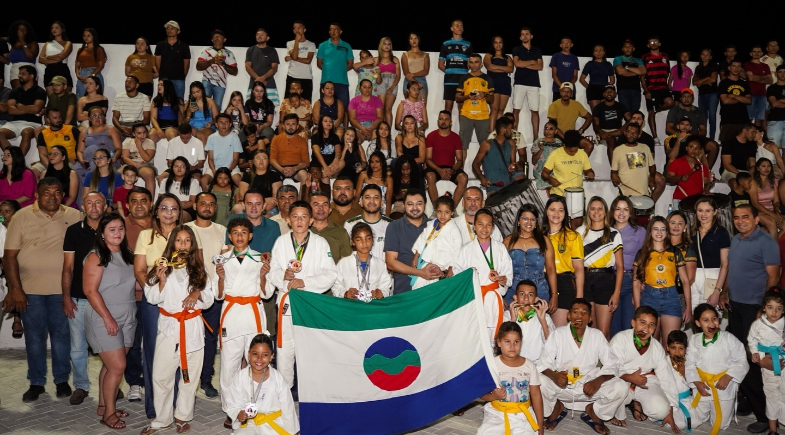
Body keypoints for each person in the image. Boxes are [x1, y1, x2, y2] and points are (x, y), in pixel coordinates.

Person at [1, 178, 80, 402]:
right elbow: (9, 257)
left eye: (57, 192)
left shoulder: (74, 216)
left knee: (62, 337)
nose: (52, 197)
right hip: (30, 291)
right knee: (34, 339)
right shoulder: (21, 216)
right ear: (37, 194)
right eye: (47, 192)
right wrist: (15, 289)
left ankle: (62, 380)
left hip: (63, 291)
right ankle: (36, 383)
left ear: (63, 194)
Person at [140, 225, 214, 435]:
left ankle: (182, 415)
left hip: (192, 329)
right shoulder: (161, 268)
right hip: (169, 329)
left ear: (192, 245)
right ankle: (162, 420)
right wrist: (161, 281)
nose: (183, 244)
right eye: (179, 240)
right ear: (172, 243)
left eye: (187, 240)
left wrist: (197, 293)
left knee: (189, 378)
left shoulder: (200, 270)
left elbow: (209, 300)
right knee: (161, 376)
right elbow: (151, 297)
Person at [721, 204, 780, 433]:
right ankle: (747, 398)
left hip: (754, 307)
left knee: (752, 358)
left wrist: (762, 311)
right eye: (736, 217)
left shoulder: (767, 242)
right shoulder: (736, 240)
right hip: (735, 306)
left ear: (756, 219)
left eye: (745, 217)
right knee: (737, 355)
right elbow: (733, 270)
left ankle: (765, 416)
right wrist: (725, 292)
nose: (740, 221)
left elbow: (774, 276)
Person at [267, 200, 338, 388]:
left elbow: (331, 274)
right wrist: (284, 276)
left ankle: (310, 389)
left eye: (304, 216)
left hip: (310, 302)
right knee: (285, 349)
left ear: (311, 221)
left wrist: (304, 282)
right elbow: (272, 271)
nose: (299, 221)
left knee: (311, 347)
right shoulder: (281, 242)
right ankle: (285, 390)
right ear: (289, 220)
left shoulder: (320, 243)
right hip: (288, 301)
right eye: (295, 216)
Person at [214, 217, 273, 428]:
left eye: (244, 232)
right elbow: (217, 295)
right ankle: (231, 410)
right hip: (230, 314)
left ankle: (254, 406)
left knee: (255, 363)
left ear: (251, 235)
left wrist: (265, 276)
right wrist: (220, 278)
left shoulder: (260, 259)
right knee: (229, 365)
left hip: (252, 313)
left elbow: (267, 294)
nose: (239, 236)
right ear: (230, 236)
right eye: (235, 232)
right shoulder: (221, 260)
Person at [537, 298, 628, 434]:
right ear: (568, 315)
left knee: (621, 387)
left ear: (590, 318)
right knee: (540, 381)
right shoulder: (558, 334)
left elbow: (612, 363)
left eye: (584, 313)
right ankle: (557, 407)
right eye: (575, 312)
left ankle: (594, 410)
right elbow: (543, 363)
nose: (579, 315)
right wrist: (554, 376)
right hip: (563, 386)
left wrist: (598, 381)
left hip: (589, 387)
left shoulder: (596, 335)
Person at [81, 213, 135, 429]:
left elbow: (133, 284)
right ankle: (109, 415)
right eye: (111, 229)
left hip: (128, 314)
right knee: (118, 366)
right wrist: (107, 318)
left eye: (120, 228)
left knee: (110, 365)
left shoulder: (128, 255)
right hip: (103, 316)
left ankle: (105, 405)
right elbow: (89, 290)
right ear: (102, 234)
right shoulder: (96, 256)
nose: (117, 233)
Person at [133, 194, 184, 419]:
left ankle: (176, 403)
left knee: (176, 350)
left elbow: (196, 265)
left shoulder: (185, 234)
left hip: (179, 301)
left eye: (174, 208)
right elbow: (139, 270)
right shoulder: (146, 236)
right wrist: (155, 293)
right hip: (153, 300)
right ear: (157, 210)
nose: (169, 212)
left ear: (179, 212)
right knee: (153, 350)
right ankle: (154, 406)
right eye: (164, 208)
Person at [60, 191, 106, 407]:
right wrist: (66, 297)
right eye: (90, 203)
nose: (94, 207)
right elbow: (68, 267)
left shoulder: (113, 229)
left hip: (107, 300)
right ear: (83, 207)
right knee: (78, 346)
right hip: (78, 299)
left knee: (109, 345)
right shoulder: (73, 232)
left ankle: (111, 385)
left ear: (105, 206)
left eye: (98, 203)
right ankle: (81, 386)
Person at [608, 306, 682, 431]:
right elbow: (610, 369)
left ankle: (638, 401)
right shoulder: (620, 340)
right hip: (621, 380)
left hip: (646, 381)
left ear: (655, 328)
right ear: (633, 323)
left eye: (651, 324)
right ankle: (621, 408)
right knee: (613, 392)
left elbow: (666, 379)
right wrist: (631, 378)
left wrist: (671, 408)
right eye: (642, 323)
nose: (646, 328)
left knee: (661, 411)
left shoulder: (657, 348)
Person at [686, 304, 750, 434]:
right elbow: (689, 364)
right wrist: (697, 382)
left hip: (723, 386)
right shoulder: (694, 340)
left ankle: (725, 408)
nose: (711, 323)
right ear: (698, 323)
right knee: (697, 418)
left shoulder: (728, 338)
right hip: (702, 386)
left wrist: (728, 376)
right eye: (706, 320)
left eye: (714, 319)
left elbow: (741, 359)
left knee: (720, 425)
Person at [453, 208, 513, 344]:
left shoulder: (500, 248)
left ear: (492, 227)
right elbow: (457, 274)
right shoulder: (466, 249)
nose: (484, 228)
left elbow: (508, 274)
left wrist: (503, 280)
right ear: (474, 226)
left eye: (488, 224)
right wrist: (468, 276)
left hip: (493, 296)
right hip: (474, 297)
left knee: (493, 336)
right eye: (480, 224)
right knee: (475, 335)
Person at [223, 334, 300, 434]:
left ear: (271, 356)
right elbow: (233, 403)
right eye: (255, 354)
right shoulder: (240, 377)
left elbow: (287, 408)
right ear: (248, 354)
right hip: (248, 423)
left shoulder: (278, 379)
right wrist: (238, 413)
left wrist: (293, 431)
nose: (259, 359)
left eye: (265, 355)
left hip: (272, 423)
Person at [477, 322, 544, 435]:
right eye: (507, 341)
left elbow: (536, 395)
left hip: (523, 414)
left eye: (516, 342)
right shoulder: (492, 364)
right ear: (499, 342)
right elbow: (480, 392)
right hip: (497, 413)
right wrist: (494, 396)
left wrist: (540, 426)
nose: (512, 346)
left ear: (521, 343)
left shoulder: (529, 365)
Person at [632, 217, 691, 347]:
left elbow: (685, 280)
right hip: (649, 297)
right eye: (655, 229)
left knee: (670, 345)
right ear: (650, 231)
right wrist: (637, 308)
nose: (659, 233)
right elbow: (636, 282)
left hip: (671, 298)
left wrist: (688, 306)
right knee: (649, 344)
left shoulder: (675, 252)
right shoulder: (642, 253)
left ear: (667, 232)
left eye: (663, 229)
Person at [576, 197, 623, 341]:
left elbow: (620, 267)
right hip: (585, 279)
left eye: (600, 208)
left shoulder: (614, 233)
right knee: (588, 330)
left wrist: (616, 293)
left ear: (605, 212)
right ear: (588, 212)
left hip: (606, 281)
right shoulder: (579, 232)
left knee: (603, 332)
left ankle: (604, 364)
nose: (596, 212)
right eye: (593, 208)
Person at [122, 187, 152, 404]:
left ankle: (154, 381)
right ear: (127, 205)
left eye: (143, 200)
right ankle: (134, 382)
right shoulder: (119, 227)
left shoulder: (161, 225)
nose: (139, 205)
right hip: (128, 296)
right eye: (134, 201)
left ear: (151, 203)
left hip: (157, 296)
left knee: (156, 342)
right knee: (131, 342)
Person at [384, 189, 440, 294]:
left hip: (432, 290)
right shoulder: (394, 226)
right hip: (404, 291)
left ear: (425, 205)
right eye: (410, 204)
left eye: (419, 204)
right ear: (404, 206)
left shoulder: (434, 226)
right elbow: (390, 263)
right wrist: (420, 272)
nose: (415, 208)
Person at [746, 288, 785, 435]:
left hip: (784, 363)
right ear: (764, 307)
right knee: (771, 396)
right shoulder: (758, 324)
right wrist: (755, 352)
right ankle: (773, 430)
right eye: (770, 307)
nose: (774, 312)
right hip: (768, 366)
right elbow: (752, 339)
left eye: (778, 308)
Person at [504, 204, 557, 308]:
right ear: (518, 221)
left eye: (532, 219)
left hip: (540, 291)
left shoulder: (544, 240)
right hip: (513, 291)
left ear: (536, 222)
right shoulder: (507, 241)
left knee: (538, 321)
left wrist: (555, 295)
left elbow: (551, 270)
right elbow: (501, 270)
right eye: (525, 218)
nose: (529, 222)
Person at [545, 195, 584, 327]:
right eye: (552, 209)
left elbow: (579, 268)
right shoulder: (538, 233)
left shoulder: (573, 236)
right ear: (546, 211)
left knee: (559, 331)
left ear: (565, 213)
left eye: (560, 210)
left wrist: (579, 297)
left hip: (564, 283)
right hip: (541, 282)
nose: (556, 213)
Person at [410, 195, 461, 290]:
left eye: (446, 212)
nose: (442, 215)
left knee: (433, 290)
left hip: (441, 266)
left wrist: (451, 268)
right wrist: (416, 256)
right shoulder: (431, 224)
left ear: (452, 213)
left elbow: (457, 250)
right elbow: (422, 239)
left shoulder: (454, 229)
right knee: (418, 287)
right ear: (435, 211)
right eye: (439, 211)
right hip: (426, 263)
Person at [333, 222, 392, 300]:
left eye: (368, 238)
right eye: (359, 239)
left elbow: (386, 285)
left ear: (372, 240)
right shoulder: (343, 263)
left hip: (373, 307)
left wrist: (381, 292)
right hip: (350, 307)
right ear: (353, 242)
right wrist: (345, 293)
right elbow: (336, 285)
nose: (364, 243)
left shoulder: (380, 264)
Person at [664, 89, 720, 168]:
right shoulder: (674, 110)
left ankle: (706, 172)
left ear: (693, 98)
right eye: (684, 97)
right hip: (678, 137)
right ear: (680, 98)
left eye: (689, 97)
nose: (686, 99)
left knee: (713, 146)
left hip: (694, 137)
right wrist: (681, 135)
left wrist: (693, 137)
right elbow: (668, 129)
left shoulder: (698, 111)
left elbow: (703, 130)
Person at [611, 123, 665, 203]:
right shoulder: (617, 150)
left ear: (639, 135)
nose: (631, 135)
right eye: (629, 132)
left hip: (643, 194)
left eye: (634, 133)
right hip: (625, 195)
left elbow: (652, 166)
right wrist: (614, 176)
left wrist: (652, 178)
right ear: (625, 133)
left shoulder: (645, 148)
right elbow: (613, 172)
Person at [424, 110, 468, 207]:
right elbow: (428, 158)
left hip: (451, 168)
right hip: (435, 168)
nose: (443, 121)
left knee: (464, 178)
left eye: (446, 119)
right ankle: (437, 209)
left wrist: (452, 170)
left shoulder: (456, 137)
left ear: (450, 122)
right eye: (441, 119)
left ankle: (452, 208)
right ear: (438, 121)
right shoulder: (431, 136)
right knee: (430, 176)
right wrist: (439, 170)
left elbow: (460, 160)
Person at [0, 65, 46, 156]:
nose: (20, 76)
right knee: (0, 133)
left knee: (27, 132)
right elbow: (10, 110)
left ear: (32, 76)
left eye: (23, 74)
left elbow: (36, 109)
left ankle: (18, 160)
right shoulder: (15, 91)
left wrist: (19, 105)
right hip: (15, 122)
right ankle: (12, 157)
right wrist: (30, 109)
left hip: (33, 123)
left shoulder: (40, 91)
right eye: (19, 73)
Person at [504, 280, 555, 362]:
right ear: (515, 298)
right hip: (513, 363)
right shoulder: (507, 316)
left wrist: (542, 321)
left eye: (530, 295)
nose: (526, 299)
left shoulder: (544, 317)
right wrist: (512, 321)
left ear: (536, 299)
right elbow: (502, 343)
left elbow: (552, 345)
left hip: (538, 365)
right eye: (522, 294)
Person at [456, 53, 494, 159]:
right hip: (466, 115)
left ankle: (486, 172)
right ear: (468, 64)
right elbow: (457, 97)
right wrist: (467, 96)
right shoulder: (464, 78)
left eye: (476, 62)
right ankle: (460, 172)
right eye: (471, 62)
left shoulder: (487, 79)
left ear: (481, 64)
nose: (473, 65)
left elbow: (492, 99)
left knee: (485, 146)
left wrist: (485, 94)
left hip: (483, 116)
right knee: (463, 146)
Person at [541, 129, 594, 201]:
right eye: (570, 151)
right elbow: (544, 173)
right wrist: (550, 179)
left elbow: (588, 170)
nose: (572, 153)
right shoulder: (555, 154)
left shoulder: (582, 154)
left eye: (575, 151)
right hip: (559, 195)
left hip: (577, 195)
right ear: (564, 145)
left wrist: (590, 173)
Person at [473, 117, 522, 193]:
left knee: (521, 177)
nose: (511, 131)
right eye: (510, 129)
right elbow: (475, 164)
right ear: (502, 130)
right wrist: (482, 178)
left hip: (508, 185)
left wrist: (514, 166)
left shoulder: (511, 143)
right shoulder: (487, 144)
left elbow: (513, 163)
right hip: (494, 188)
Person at [344, 184, 392, 261]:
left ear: (382, 202)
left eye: (376, 197)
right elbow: (347, 253)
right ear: (361, 202)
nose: (372, 201)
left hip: (384, 271)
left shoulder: (391, 225)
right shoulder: (350, 224)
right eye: (367, 197)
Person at [641, 36, 674, 145]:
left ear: (659, 44)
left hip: (663, 88)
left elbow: (667, 72)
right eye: (651, 42)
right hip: (651, 89)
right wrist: (646, 91)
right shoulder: (645, 57)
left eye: (655, 42)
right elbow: (642, 76)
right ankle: (655, 138)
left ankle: (657, 109)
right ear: (648, 45)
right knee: (651, 113)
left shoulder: (665, 56)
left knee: (670, 103)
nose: (653, 44)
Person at [512, 27, 543, 140]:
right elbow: (517, 63)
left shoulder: (537, 50)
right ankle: (514, 135)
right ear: (520, 37)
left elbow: (539, 66)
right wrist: (531, 62)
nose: (525, 36)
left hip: (534, 84)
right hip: (520, 83)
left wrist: (523, 63)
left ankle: (536, 138)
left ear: (531, 36)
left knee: (535, 111)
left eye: (527, 34)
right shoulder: (516, 49)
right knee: (516, 109)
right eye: (522, 34)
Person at [316, 23, 354, 114]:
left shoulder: (347, 46)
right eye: (331, 30)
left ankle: (344, 128)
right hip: (326, 82)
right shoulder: (323, 45)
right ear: (329, 32)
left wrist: (340, 71)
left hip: (342, 82)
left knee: (344, 109)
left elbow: (350, 64)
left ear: (340, 32)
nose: (333, 31)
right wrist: (328, 70)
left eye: (336, 29)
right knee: (324, 109)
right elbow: (319, 63)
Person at [269, 114, 309, 196]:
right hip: (279, 167)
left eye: (293, 124)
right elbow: (272, 159)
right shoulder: (276, 139)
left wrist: (294, 168)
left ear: (297, 126)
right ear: (283, 126)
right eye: (288, 124)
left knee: (305, 176)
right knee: (271, 176)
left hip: (296, 168)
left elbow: (306, 162)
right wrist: (282, 169)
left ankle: (301, 204)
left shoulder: (302, 140)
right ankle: (276, 205)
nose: (290, 126)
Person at [665, 135, 711, 204]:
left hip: (697, 202)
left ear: (699, 151)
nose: (693, 150)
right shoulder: (677, 162)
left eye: (697, 148)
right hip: (680, 200)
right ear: (686, 148)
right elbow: (668, 178)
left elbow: (707, 183)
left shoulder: (702, 166)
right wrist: (679, 178)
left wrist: (706, 190)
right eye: (691, 147)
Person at [547, 83, 593, 151]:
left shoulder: (576, 104)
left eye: (568, 92)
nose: (566, 94)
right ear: (560, 92)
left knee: (589, 145)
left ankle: (579, 161)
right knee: (561, 150)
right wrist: (566, 139)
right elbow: (553, 126)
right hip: (558, 135)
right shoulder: (554, 105)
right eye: (563, 91)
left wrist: (581, 130)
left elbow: (589, 117)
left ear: (572, 94)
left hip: (571, 134)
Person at [439, 19, 472, 113]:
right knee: (448, 108)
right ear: (452, 28)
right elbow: (440, 65)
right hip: (449, 81)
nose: (460, 28)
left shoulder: (468, 44)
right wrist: (450, 71)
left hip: (463, 81)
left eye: (461, 26)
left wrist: (464, 72)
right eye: (457, 26)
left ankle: (462, 128)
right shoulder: (445, 44)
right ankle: (447, 128)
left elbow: (470, 63)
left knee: (462, 108)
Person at [310, 191, 352, 262]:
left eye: (325, 205)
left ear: (330, 210)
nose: (321, 208)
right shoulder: (301, 230)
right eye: (316, 204)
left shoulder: (341, 232)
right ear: (308, 209)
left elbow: (345, 263)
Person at [593, 85, 631, 162]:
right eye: (606, 92)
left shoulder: (621, 106)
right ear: (603, 94)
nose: (609, 93)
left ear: (615, 94)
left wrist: (623, 128)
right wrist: (601, 132)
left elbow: (630, 120)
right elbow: (595, 124)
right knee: (612, 139)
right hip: (603, 132)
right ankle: (614, 170)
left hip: (618, 132)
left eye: (611, 91)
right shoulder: (598, 107)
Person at [78, 106, 122, 172]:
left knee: (94, 149)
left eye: (100, 115)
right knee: (75, 171)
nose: (97, 118)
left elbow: (118, 148)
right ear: (89, 118)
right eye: (94, 115)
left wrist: (114, 158)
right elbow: (80, 151)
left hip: (107, 162)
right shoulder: (84, 132)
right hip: (88, 162)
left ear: (103, 117)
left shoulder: (111, 129)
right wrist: (81, 160)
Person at [718, 59, 752, 144]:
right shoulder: (723, 83)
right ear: (729, 68)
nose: (736, 68)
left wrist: (734, 96)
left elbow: (748, 100)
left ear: (741, 69)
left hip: (743, 120)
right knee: (727, 147)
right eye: (734, 66)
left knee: (743, 148)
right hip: (728, 120)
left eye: (738, 66)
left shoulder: (744, 84)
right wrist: (741, 99)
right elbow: (725, 101)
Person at [238, 149, 282, 215]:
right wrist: (263, 201)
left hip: (269, 207)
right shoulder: (247, 175)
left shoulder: (274, 175)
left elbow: (275, 198)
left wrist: (264, 210)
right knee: (237, 208)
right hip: (250, 206)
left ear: (268, 161)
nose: (261, 160)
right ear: (253, 161)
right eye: (258, 158)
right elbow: (242, 196)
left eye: (264, 158)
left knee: (266, 217)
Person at [155, 21, 191, 99]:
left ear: (178, 31)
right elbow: (157, 63)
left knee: (179, 101)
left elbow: (186, 64)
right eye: (168, 28)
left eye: (172, 28)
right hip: (164, 79)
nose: (169, 30)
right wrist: (162, 74)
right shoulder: (160, 45)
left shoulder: (184, 46)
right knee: (163, 100)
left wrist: (182, 75)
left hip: (178, 79)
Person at [244, 28, 278, 108]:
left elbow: (274, 68)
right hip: (253, 83)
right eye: (257, 34)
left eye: (262, 35)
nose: (259, 36)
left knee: (270, 108)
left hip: (269, 84)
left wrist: (263, 78)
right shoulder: (250, 50)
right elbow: (247, 66)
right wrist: (258, 78)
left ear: (267, 38)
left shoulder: (272, 50)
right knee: (251, 108)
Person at [484, 36, 513, 132]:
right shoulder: (489, 55)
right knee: (494, 109)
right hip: (493, 83)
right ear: (493, 44)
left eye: (500, 42)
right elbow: (489, 67)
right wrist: (503, 68)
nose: (498, 44)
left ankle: (498, 133)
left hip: (505, 84)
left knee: (501, 110)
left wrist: (495, 67)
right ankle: (491, 133)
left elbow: (510, 69)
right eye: (496, 42)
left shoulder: (508, 57)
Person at [748, 157, 782, 237]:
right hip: (758, 211)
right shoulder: (753, 182)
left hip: (771, 210)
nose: (766, 168)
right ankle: (774, 248)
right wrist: (772, 215)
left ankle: (772, 244)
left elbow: (776, 201)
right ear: (757, 168)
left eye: (769, 166)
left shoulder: (773, 181)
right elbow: (755, 203)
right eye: (763, 166)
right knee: (771, 223)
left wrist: (776, 211)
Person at [159, 157, 200, 221]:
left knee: (179, 216)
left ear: (186, 168)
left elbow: (193, 201)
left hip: (186, 209)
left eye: (182, 166)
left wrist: (179, 206)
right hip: (168, 207)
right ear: (172, 168)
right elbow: (161, 199)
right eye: (176, 166)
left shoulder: (193, 182)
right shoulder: (165, 181)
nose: (179, 169)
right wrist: (177, 203)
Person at [310, 115, 343, 193]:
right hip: (318, 163)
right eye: (325, 121)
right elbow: (317, 153)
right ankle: (317, 195)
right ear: (321, 123)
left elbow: (338, 152)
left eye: (330, 121)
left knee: (342, 163)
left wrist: (334, 161)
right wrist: (325, 167)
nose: (328, 123)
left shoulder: (335, 137)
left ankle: (326, 174)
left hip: (331, 164)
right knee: (324, 177)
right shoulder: (315, 137)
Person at [693, 49, 720, 141]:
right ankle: (703, 138)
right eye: (703, 54)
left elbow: (713, 80)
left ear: (710, 57)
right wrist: (707, 79)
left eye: (707, 55)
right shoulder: (698, 67)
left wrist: (701, 82)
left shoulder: (714, 65)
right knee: (703, 117)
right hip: (702, 94)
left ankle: (712, 139)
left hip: (713, 93)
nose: (704, 56)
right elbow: (694, 82)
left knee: (712, 115)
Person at [285, 21, 316, 102]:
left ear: (304, 29)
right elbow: (294, 56)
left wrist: (291, 58)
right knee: (289, 102)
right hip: (292, 76)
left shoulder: (311, 44)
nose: (297, 30)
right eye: (295, 28)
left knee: (306, 102)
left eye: (299, 27)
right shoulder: (290, 43)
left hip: (306, 77)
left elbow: (308, 60)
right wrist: (296, 41)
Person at [613, 39, 646, 116]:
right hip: (623, 89)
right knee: (626, 113)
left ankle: (633, 128)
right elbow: (620, 71)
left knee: (635, 113)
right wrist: (636, 71)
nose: (627, 48)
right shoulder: (618, 58)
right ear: (622, 49)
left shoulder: (638, 60)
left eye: (629, 47)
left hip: (636, 90)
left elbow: (643, 71)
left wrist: (627, 67)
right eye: (625, 47)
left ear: (633, 49)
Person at [121, 123, 157, 193]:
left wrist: (139, 146)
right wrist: (135, 165)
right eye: (139, 133)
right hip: (130, 164)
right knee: (117, 174)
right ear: (134, 134)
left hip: (145, 165)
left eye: (144, 133)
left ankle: (150, 201)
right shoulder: (128, 142)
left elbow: (147, 159)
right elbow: (125, 158)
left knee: (149, 174)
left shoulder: (150, 142)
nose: (142, 135)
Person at [38, 22, 72, 94]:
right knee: (52, 99)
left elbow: (62, 56)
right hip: (50, 70)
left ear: (62, 30)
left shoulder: (67, 43)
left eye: (57, 28)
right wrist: (56, 60)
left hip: (62, 69)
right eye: (52, 28)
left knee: (65, 98)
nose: (54, 29)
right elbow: (40, 59)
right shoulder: (48, 43)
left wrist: (48, 57)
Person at [720, 123, 756, 190]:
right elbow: (726, 164)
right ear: (744, 130)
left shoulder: (751, 145)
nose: (754, 135)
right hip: (729, 171)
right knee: (735, 183)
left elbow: (752, 164)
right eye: (752, 132)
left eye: (755, 133)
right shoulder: (729, 142)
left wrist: (750, 173)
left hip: (745, 171)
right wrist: (740, 175)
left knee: (753, 183)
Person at [355, 152, 393, 216]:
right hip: (362, 208)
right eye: (372, 162)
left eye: (377, 162)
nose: (374, 164)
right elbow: (357, 195)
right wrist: (354, 211)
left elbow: (388, 200)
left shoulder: (388, 179)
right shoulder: (363, 175)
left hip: (380, 210)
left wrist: (387, 216)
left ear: (382, 163)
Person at [745, 46, 773, 127]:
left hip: (762, 94)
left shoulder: (765, 66)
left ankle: (758, 138)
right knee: (749, 118)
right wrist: (763, 77)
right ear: (751, 53)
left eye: (758, 51)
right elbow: (750, 78)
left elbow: (770, 80)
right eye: (754, 51)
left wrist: (756, 78)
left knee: (759, 119)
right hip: (751, 94)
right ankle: (747, 138)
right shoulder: (747, 64)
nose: (756, 53)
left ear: (761, 53)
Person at [74, 28, 106, 100]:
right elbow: (77, 65)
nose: (86, 37)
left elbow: (101, 65)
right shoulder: (81, 50)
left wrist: (91, 75)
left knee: (95, 99)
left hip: (95, 74)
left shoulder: (99, 49)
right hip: (82, 76)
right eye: (84, 36)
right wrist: (78, 75)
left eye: (89, 35)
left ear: (93, 37)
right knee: (81, 99)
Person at [580, 44, 615, 109]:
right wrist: (589, 87)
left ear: (604, 52)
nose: (599, 52)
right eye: (596, 51)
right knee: (596, 113)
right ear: (593, 53)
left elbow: (612, 80)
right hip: (593, 89)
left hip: (605, 90)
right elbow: (582, 79)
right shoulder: (590, 64)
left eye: (601, 50)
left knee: (604, 112)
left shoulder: (608, 64)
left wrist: (607, 87)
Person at [375, 37, 400, 127]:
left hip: (392, 82)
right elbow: (368, 71)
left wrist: (392, 87)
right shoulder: (376, 60)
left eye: (389, 44)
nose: (387, 46)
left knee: (388, 108)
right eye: (385, 44)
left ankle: (388, 132)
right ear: (381, 45)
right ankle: (381, 131)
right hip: (380, 82)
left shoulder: (395, 59)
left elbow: (398, 75)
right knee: (381, 109)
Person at [348, 79, 383, 143]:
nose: (367, 89)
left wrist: (371, 128)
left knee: (381, 139)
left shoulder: (377, 100)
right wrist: (362, 129)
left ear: (372, 88)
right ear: (360, 88)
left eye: (369, 87)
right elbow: (352, 118)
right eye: (364, 87)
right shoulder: (354, 101)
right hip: (358, 127)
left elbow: (380, 118)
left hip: (373, 126)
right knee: (355, 140)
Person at [185, 81, 219, 145]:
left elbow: (217, 118)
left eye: (198, 92)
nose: (196, 94)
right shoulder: (188, 103)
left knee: (201, 135)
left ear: (202, 90)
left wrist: (211, 123)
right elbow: (185, 121)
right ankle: (192, 154)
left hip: (207, 125)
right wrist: (189, 112)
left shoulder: (210, 101)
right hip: (193, 125)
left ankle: (203, 155)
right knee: (190, 134)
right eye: (193, 93)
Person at [531, 120, 562, 189]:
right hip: (540, 171)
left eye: (551, 129)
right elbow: (533, 161)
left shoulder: (558, 142)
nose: (548, 131)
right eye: (546, 128)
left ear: (556, 131)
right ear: (543, 130)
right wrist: (541, 149)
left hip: (554, 171)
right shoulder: (538, 141)